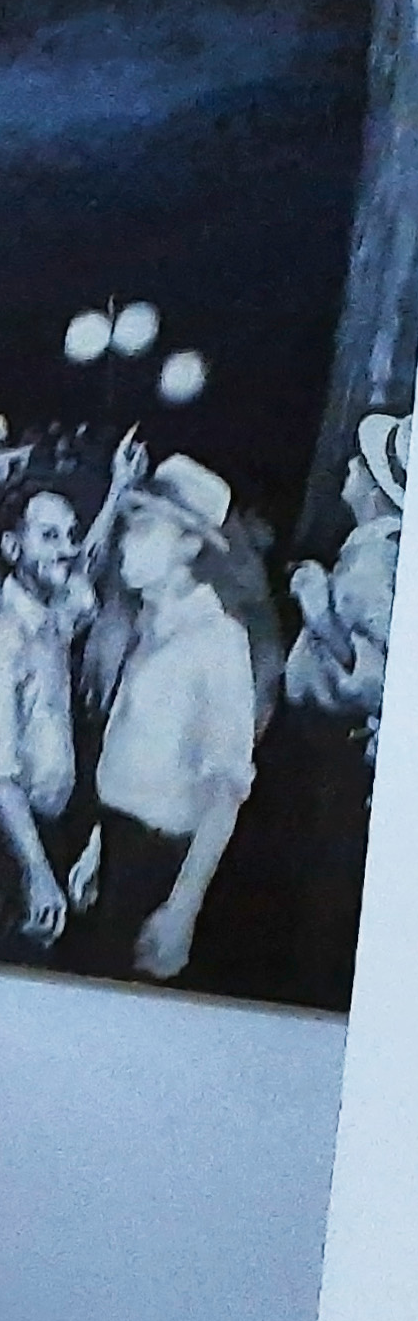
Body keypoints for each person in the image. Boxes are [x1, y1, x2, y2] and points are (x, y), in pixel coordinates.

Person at [81, 458, 258, 984]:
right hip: (116, 851)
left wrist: (182, 909)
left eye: (144, 528)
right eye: (127, 527)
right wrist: (97, 846)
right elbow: (133, 746)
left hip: (160, 867)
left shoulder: (218, 642)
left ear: (189, 545)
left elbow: (225, 792)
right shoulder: (148, 625)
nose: (125, 543)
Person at [249, 412, 401, 1007]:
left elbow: (381, 683)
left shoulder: (373, 565)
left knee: (322, 890)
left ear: (376, 489)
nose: (350, 469)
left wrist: (316, 609)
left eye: (360, 465)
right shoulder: (369, 553)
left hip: (336, 763)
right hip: (327, 757)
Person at [0, 482, 95, 964]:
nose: (68, 549)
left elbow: (85, 574)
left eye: (70, 535)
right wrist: (36, 871)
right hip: (14, 849)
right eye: (49, 536)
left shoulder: (52, 619)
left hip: (52, 837)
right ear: (12, 547)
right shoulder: (3, 639)